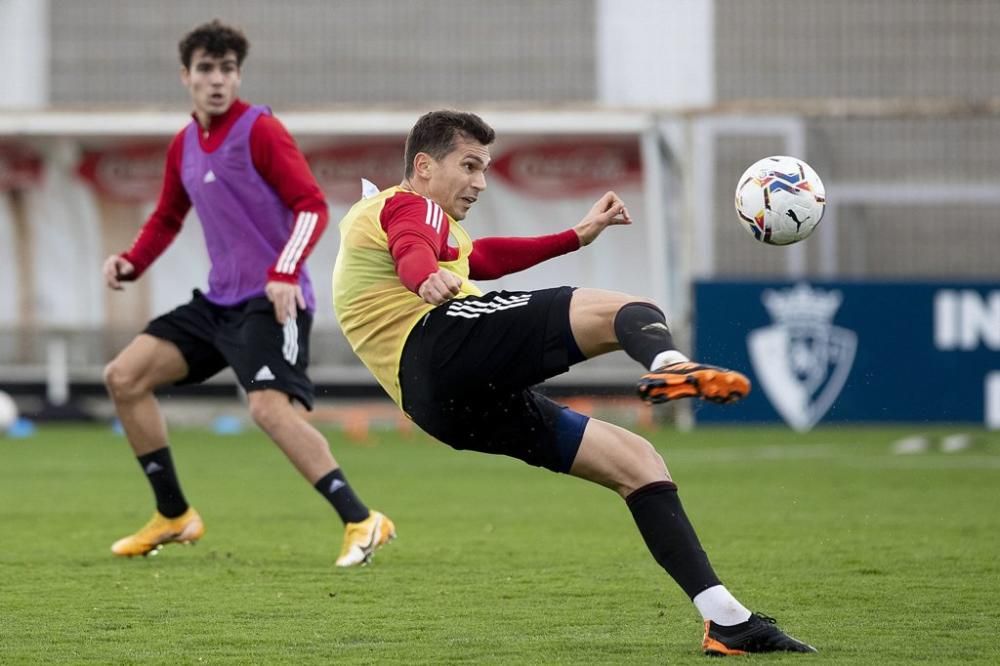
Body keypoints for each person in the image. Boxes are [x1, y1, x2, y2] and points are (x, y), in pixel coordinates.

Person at [332, 110, 816, 655]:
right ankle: (670, 365)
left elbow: (481, 257)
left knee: (638, 463)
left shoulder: (432, 225)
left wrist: (575, 236)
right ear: (423, 165)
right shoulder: (405, 206)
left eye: (485, 169)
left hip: (440, 406)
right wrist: (422, 277)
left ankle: (727, 621)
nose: (480, 182)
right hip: (441, 346)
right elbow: (410, 247)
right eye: (468, 166)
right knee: (628, 310)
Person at [101, 20, 393, 568]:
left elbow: (312, 206)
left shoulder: (260, 129)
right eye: (207, 69)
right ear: (186, 76)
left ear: (238, 75)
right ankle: (174, 514)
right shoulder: (184, 143)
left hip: (272, 300)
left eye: (228, 69)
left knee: (267, 409)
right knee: (123, 377)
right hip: (218, 304)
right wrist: (130, 262)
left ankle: (361, 518)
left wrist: (284, 272)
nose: (218, 80)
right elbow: (167, 216)